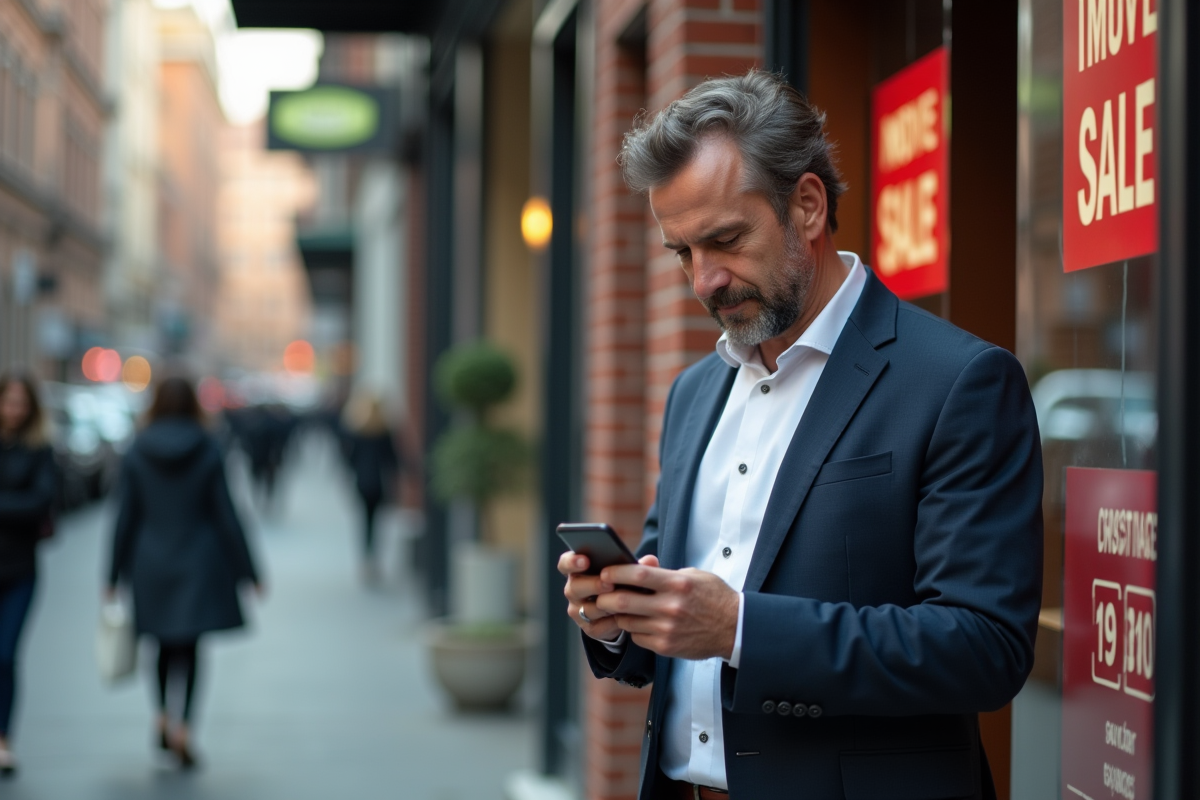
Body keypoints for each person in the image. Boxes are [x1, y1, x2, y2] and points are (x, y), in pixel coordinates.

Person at [559, 71, 1043, 800]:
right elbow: (675, 622)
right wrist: (619, 619)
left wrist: (739, 628)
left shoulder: (959, 382)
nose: (704, 280)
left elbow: (984, 649)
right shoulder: (694, 393)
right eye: (682, 252)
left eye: (725, 239)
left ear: (808, 206)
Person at [108, 377, 261, 769]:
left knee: (160, 643)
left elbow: (125, 516)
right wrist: (249, 571)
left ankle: (161, 714)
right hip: (198, 558)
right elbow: (226, 514)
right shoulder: (208, 447)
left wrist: (111, 575)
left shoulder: (137, 449)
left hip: (150, 559)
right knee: (190, 646)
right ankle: (186, 727)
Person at [0, 372, 55, 777]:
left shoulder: (40, 449)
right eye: (8, 401)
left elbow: (41, 501)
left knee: (4, 655)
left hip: (20, 569)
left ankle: (3, 738)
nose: (13, 410)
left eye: (21, 403)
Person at [342, 393, 400, 583]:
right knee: (377, 522)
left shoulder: (357, 431)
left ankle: (366, 558)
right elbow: (392, 461)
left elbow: (350, 459)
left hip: (362, 482)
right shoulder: (384, 432)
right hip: (379, 483)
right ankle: (374, 559)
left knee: (365, 522)